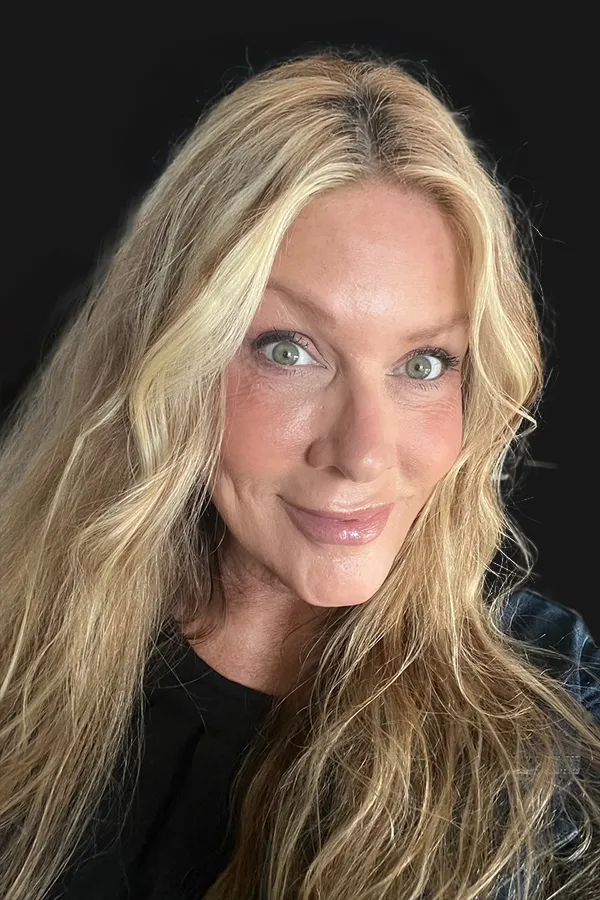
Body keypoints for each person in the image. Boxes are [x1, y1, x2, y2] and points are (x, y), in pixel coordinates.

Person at [0, 47, 598, 900]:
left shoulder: (553, 717)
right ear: (174, 358)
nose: (361, 451)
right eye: (290, 350)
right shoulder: (18, 656)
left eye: (424, 364)